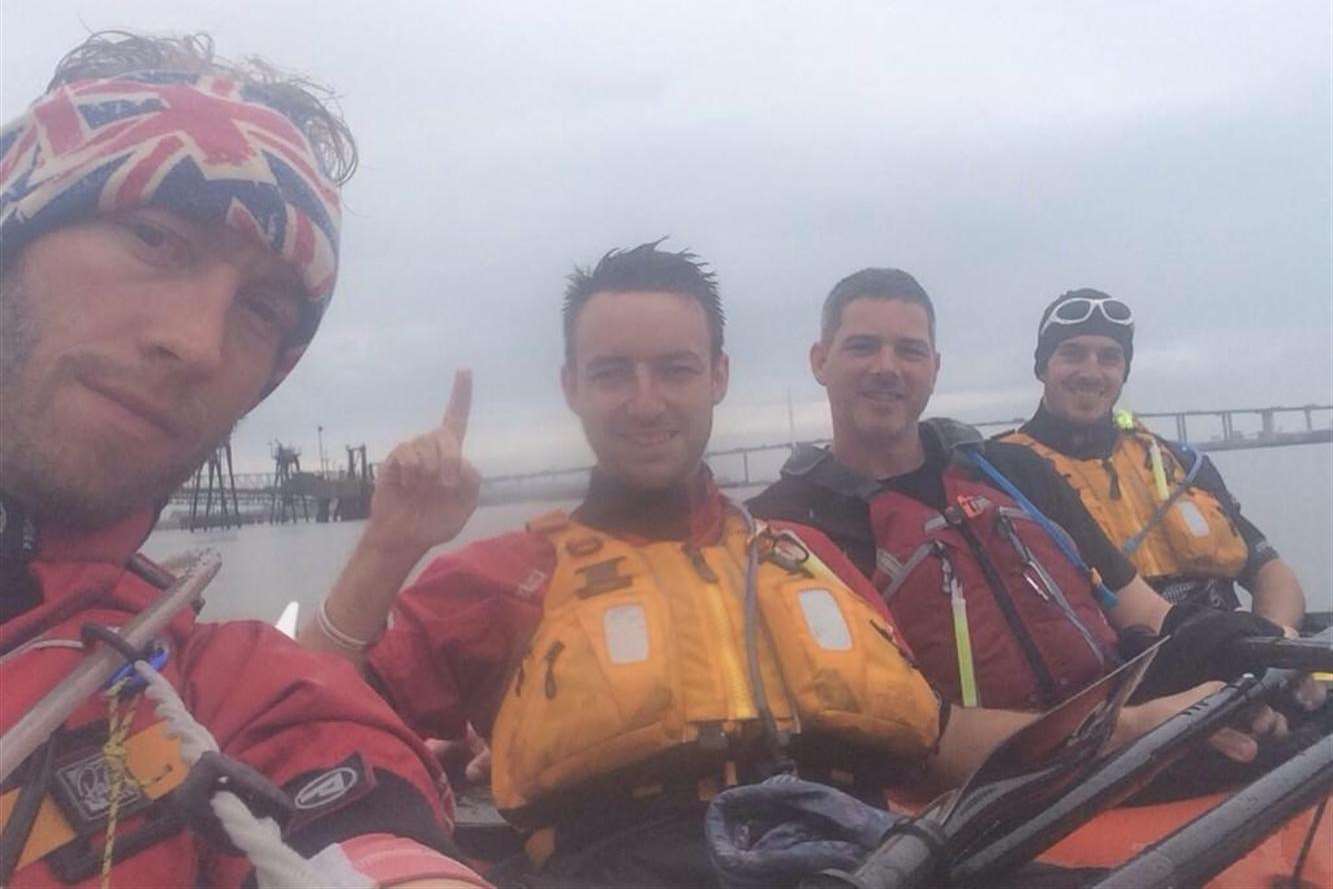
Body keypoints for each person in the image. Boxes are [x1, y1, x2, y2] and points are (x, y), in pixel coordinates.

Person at [303, 243, 1096, 888]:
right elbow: (302, 730)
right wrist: (391, 543)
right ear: (571, 387)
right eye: (613, 372)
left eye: (675, 369)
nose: (645, 401)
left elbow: (937, 736)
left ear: (717, 376)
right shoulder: (505, 576)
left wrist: (1133, 722)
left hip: (862, 855)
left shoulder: (801, 554)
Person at [0, 32, 486, 888]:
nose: (196, 343)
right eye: (154, 238)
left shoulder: (225, 698)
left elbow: (358, 816)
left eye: (260, 309)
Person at [746, 268, 1302, 717]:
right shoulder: (780, 525)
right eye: (863, 347)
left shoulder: (1013, 473)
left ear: (935, 368)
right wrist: (1137, 729)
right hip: (983, 796)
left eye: (910, 351)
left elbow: (1150, 615)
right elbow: (887, 727)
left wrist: (1257, 660)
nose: (887, 368)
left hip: (1118, 734)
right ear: (820, 361)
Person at [995, 288, 1306, 628]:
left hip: (1237, 654)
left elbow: (1271, 572)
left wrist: (1279, 640)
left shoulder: (1179, 460)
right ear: (1042, 367)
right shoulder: (1003, 471)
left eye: (1109, 357)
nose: (1091, 372)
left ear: (1124, 371)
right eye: (1072, 354)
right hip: (1124, 665)